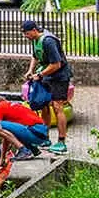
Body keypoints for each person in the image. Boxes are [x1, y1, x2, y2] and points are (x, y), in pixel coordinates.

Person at [21, 19, 73, 154]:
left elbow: (57, 64)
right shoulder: (35, 40)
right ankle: (45, 137)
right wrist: (30, 71)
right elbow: (35, 56)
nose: (26, 37)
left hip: (59, 77)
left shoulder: (48, 41)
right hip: (46, 76)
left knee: (57, 106)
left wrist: (40, 75)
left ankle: (61, 142)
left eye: (27, 34)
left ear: (34, 30)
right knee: (44, 104)